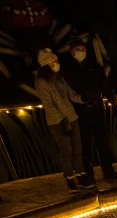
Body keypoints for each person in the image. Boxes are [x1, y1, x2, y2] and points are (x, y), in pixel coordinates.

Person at [34, 48, 94, 193]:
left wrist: (82, 99)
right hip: (58, 122)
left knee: (77, 149)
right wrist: (62, 119)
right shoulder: (41, 81)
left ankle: (81, 177)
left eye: (56, 60)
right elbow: (48, 104)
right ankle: (70, 180)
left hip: (72, 117)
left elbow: (70, 94)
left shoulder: (59, 77)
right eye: (54, 61)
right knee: (66, 151)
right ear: (47, 63)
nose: (56, 63)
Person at [62, 39, 117, 181]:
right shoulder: (68, 69)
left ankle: (108, 171)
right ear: (71, 51)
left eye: (83, 49)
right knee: (84, 145)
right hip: (80, 112)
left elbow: (104, 84)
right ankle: (88, 174)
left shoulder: (93, 65)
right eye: (77, 49)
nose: (80, 51)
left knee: (103, 143)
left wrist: (112, 100)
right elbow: (67, 92)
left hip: (97, 108)